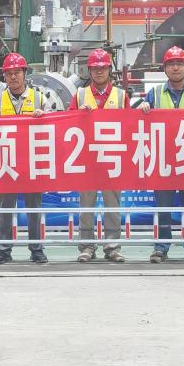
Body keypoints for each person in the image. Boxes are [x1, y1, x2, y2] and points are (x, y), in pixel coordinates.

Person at [136, 45, 184, 263]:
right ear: (165, 69)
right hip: (163, 160)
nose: (175, 68)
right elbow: (136, 120)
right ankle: (161, 247)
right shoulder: (154, 94)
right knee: (163, 208)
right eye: (171, 64)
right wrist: (143, 108)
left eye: (179, 63)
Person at [0, 53, 52, 265]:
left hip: (33, 160)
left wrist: (44, 116)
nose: (13, 77)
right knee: (5, 208)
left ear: (25, 73)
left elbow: (55, 124)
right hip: (7, 161)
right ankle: (3, 250)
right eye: (9, 73)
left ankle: (36, 249)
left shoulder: (39, 98)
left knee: (34, 208)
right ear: (4, 76)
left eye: (17, 72)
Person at [69, 48, 126, 264]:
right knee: (86, 207)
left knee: (113, 206)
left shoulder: (120, 96)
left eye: (103, 68)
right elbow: (67, 123)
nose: (99, 71)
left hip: (112, 158)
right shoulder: (80, 95)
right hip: (87, 160)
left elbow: (130, 125)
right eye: (95, 68)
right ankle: (86, 247)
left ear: (109, 69)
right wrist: (78, 114)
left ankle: (112, 247)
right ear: (89, 71)